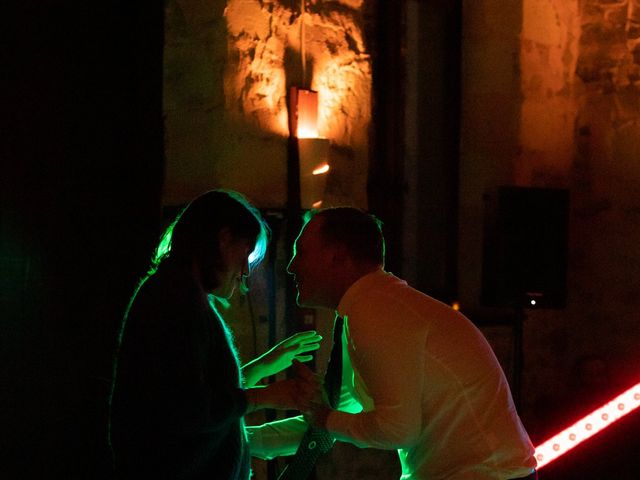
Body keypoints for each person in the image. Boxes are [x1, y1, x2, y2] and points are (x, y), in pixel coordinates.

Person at [248, 207, 538, 480]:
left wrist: (325, 417)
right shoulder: (373, 307)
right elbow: (337, 416)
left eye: (301, 252)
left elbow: (395, 430)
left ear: (337, 256)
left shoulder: (375, 312)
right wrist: (241, 440)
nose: (290, 266)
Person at [108, 189, 320, 480]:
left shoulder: (178, 293)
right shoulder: (175, 299)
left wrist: (263, 366)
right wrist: (264, 396)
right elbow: (187, 408)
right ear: (223, 239)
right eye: (246, 253)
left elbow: (193, 389)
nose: (245, 270)